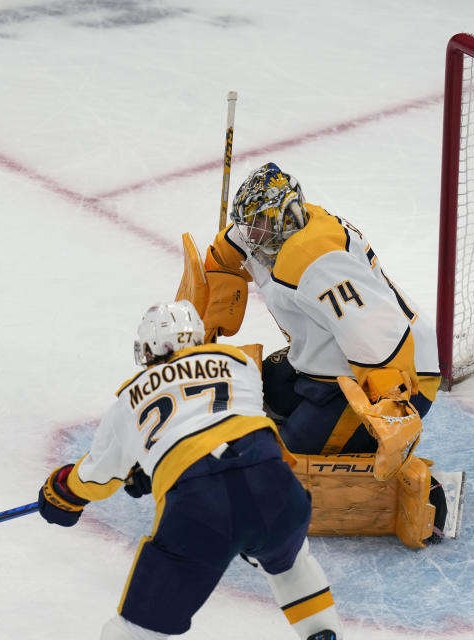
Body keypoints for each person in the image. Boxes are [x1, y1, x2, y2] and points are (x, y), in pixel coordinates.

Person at [176, 162, 446, 547]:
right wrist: (214, 289)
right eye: (248, 225)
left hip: (388, 373)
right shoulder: (269, 229)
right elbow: (229, 250)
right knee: (253, 391)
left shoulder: (318, 261)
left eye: (258, 227)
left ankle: (419, 485)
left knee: (287, 460)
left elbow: (375, 330)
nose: (250, 236)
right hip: (327, 358)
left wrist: (389, 398)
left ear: (285, 217)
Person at [37, 300, 343, 640]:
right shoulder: (240, 363)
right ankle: (324, 633)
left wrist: (63, 493)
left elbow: (98, 478)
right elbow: (213, 424)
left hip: (201, 507)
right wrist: (153, 467)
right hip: (273, 484)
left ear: (148, 349)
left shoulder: (129, 401)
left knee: (135, 630)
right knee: (289, 562)